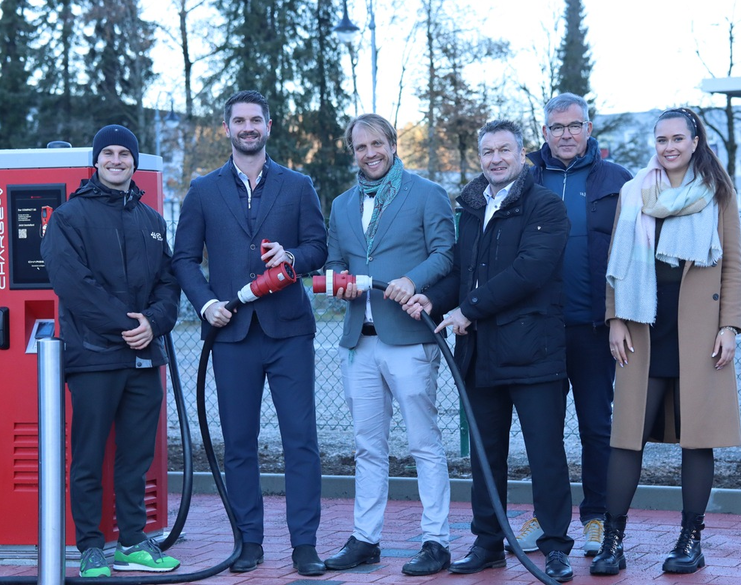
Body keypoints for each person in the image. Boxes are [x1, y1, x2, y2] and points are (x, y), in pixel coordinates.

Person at [404, 119, 575, 583]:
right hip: (481, 355)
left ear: (523, 155)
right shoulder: (473, 208)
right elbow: (462, 269)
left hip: (534, 354)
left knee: (545, 454)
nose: (495, 158)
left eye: (504, 150)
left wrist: (468, 311)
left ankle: (556, 547)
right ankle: (488, 543)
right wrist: (433, 299)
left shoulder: (546, 206)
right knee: (485, 455)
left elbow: (528, 272)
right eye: (487, 152)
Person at [172, 91, 328, 576]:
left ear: (268, 125)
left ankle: (305, 546)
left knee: (300, 440)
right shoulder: (202, 189)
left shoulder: (298, 184)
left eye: (255, 119)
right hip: (231, 334)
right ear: (226, 129)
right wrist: (206, 303)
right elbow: (183, 259)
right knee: (239, 443)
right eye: (238, 120)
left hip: (289, 333)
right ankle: (249, 543)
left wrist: (293, 257)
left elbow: (318, 247)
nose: (247, 127)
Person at [590, 107, 741, 576]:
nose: (669, 146)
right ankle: (612, 542)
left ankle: (689, 541)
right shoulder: (634, 191)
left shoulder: (718, 192)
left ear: (696, 141)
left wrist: (729, 327)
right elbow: (616, 263)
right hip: (643, 324)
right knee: (627, 438)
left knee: (697, 440)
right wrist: (615, 318)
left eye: (678, 138)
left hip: (699, 330)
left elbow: (733, 263)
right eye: (662, 139)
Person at [41, 125, 181, 577]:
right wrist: (130, 326)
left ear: (134, 162)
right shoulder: (69, 217)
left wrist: (154, 323)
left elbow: (168, 283)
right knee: (88, 455)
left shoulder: (152, 222)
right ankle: (90, 547)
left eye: (125, 154)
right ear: (97, 161)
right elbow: (72, 284)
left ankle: (134, 542)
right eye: (110, 153)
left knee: (135, 456)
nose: (117, 160)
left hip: (143, 358)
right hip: (94, 356)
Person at [323, 114, 455, 576]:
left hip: (410, 339)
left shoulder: (426, 193)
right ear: (353, 152)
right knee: (367, 446)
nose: (369, 153)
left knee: (424, 442)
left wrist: (412, 279)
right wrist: (342, 284)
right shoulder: (341, 204)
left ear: (394, 144)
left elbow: (446, 253)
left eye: (377, 144)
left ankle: (436, 540)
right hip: (360, 341)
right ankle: (366, 538)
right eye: (360, 147)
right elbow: (335, 260)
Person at [509, 93, 633, 556]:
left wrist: (620, 314)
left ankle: (597, 517)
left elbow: (635, 255)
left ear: (588, 127)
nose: (565, 134)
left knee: (597, 428)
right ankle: (546, 515)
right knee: (544, 430)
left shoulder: (618, 180)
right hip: (538, 328)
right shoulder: (524, 179)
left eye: (574, 126)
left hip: (594, 328)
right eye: (556, 127)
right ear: (544, 132)